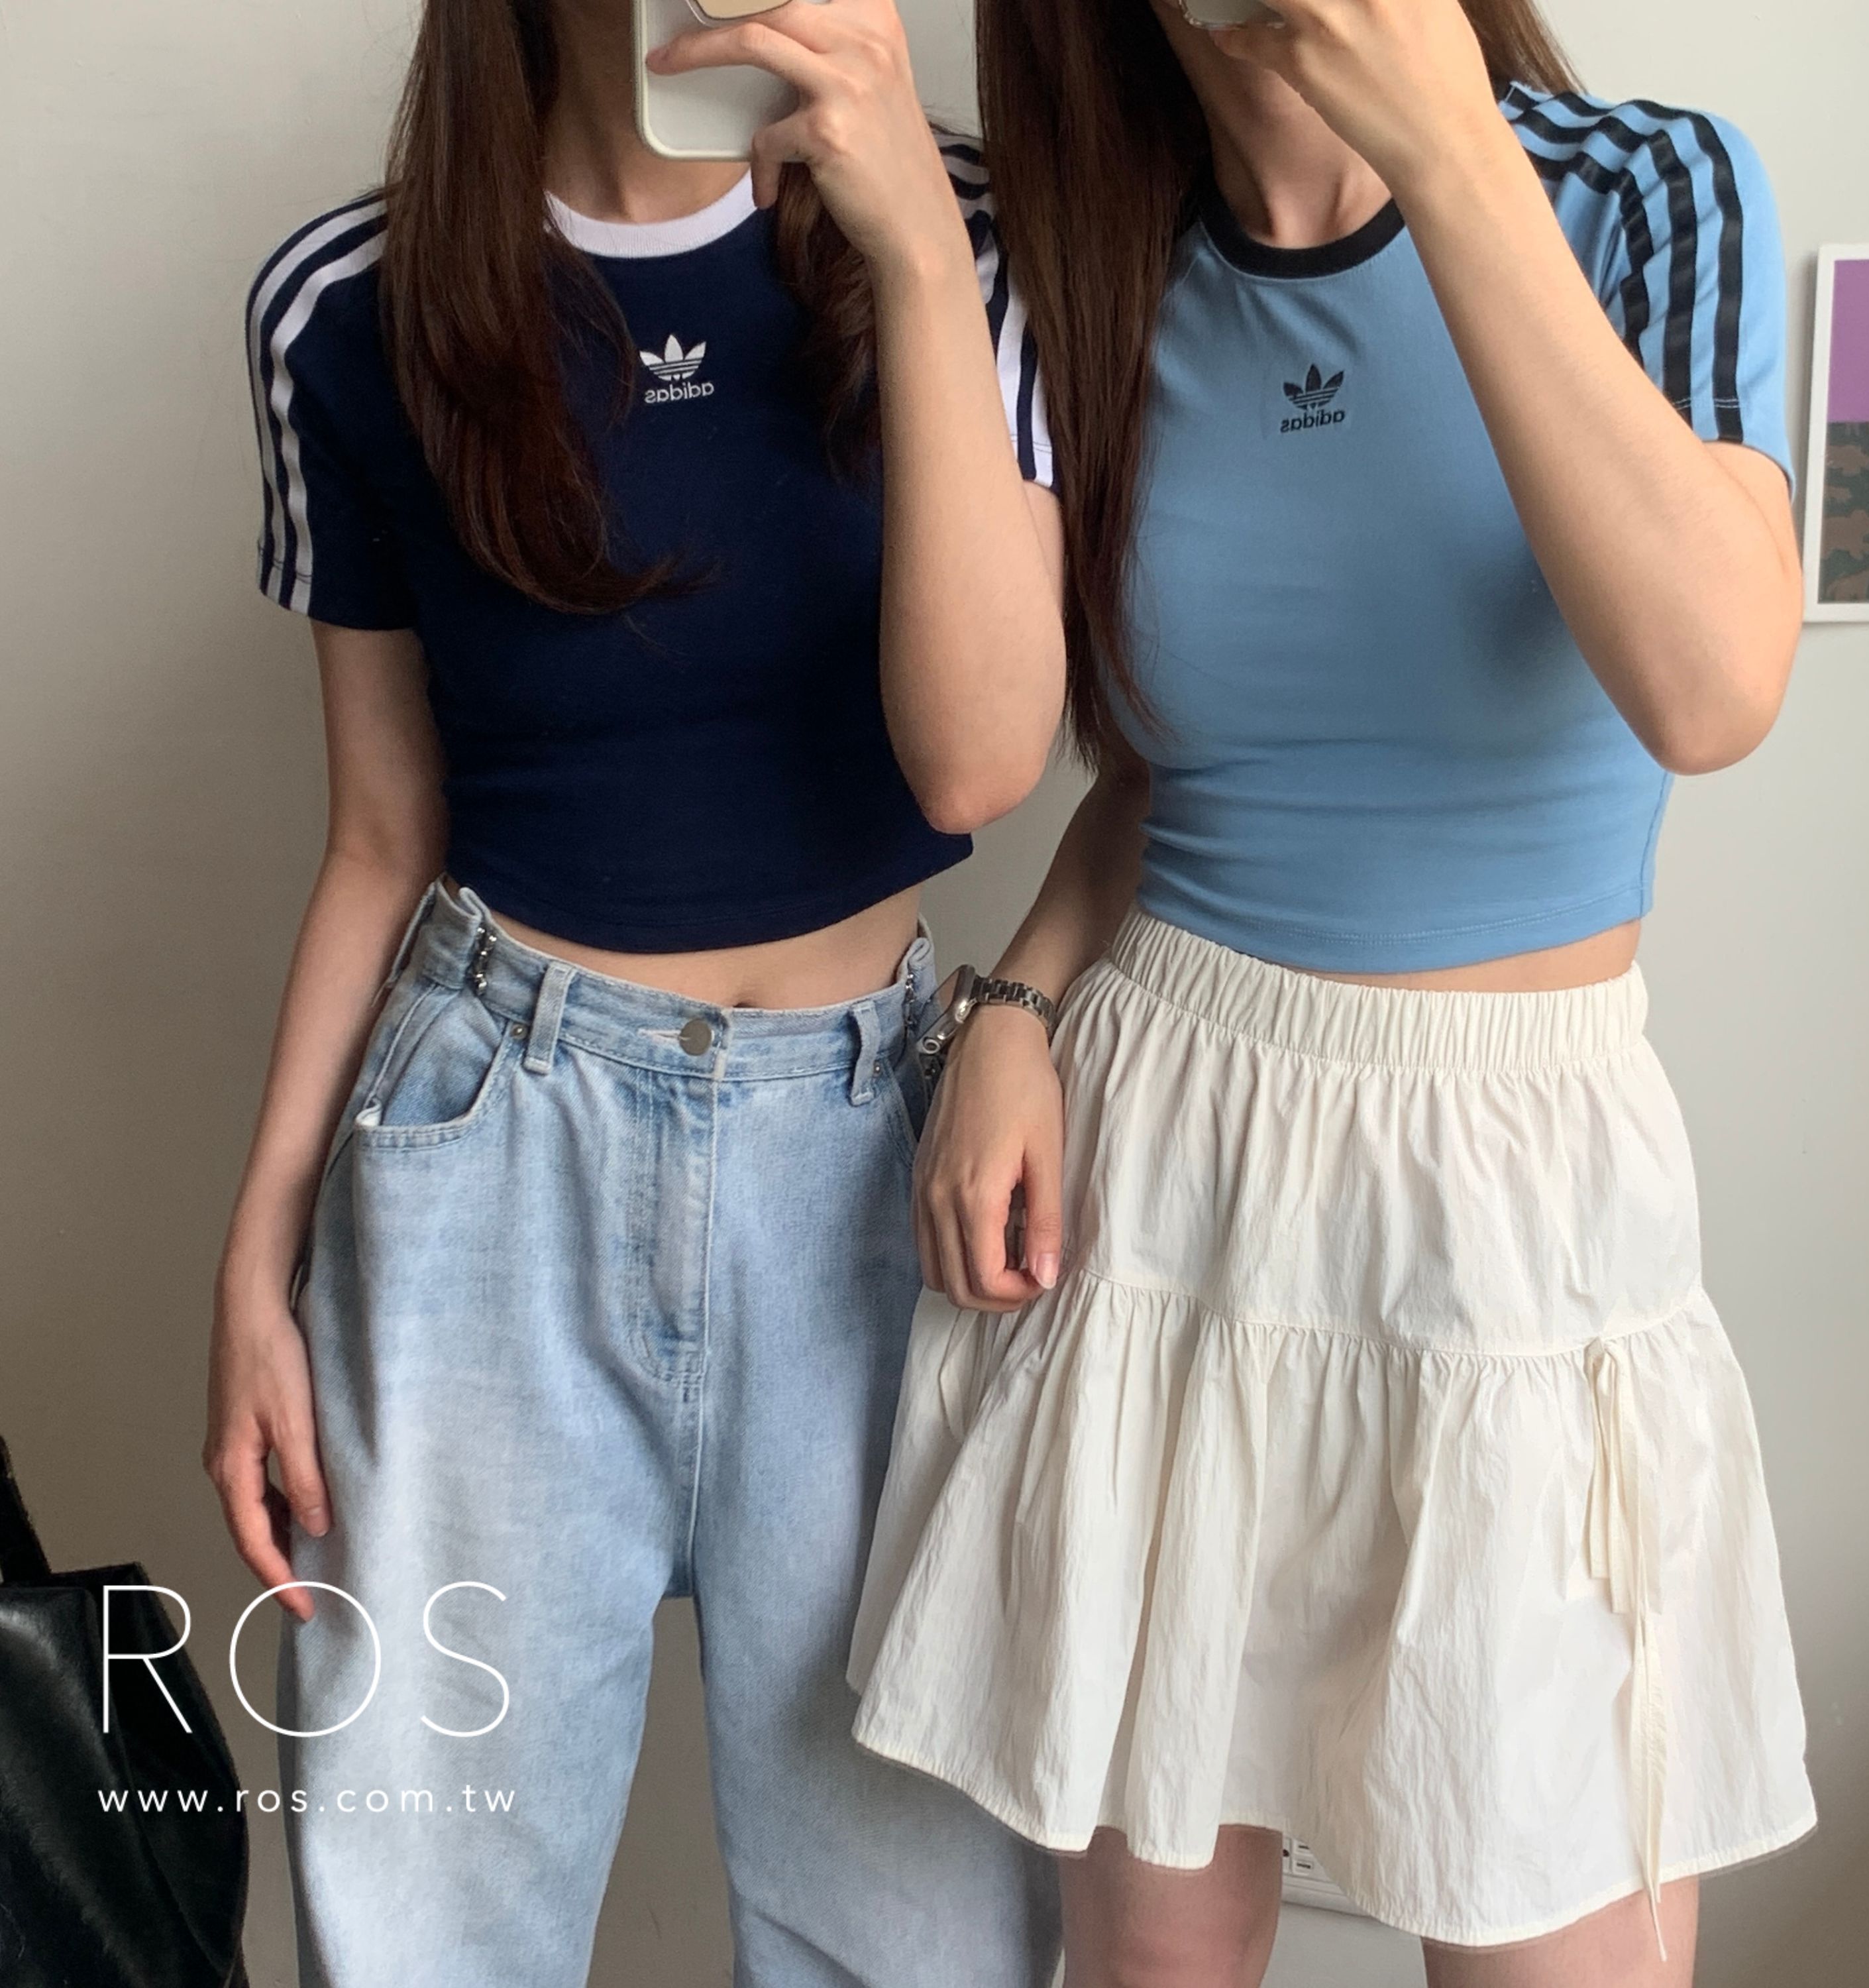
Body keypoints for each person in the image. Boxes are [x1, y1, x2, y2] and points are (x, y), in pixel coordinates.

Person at [847, 1, 1816, 1983]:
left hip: (1524, 1206)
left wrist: (1448, 148)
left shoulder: (1648, 190)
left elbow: (1714, 683)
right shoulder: (1090, 276)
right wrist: (1018, 1004)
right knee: (1153, 1961)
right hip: (1172, 1178)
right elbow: (1158, 771)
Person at [207, 1, 1065, 1982]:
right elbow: (381, 833)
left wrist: (910, 246)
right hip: (489, 1154)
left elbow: (982, 766)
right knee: (424, 1929)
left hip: (878, 1167)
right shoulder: (348, 302)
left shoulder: (974, 238)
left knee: (925, 1931)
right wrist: (256, 1259)